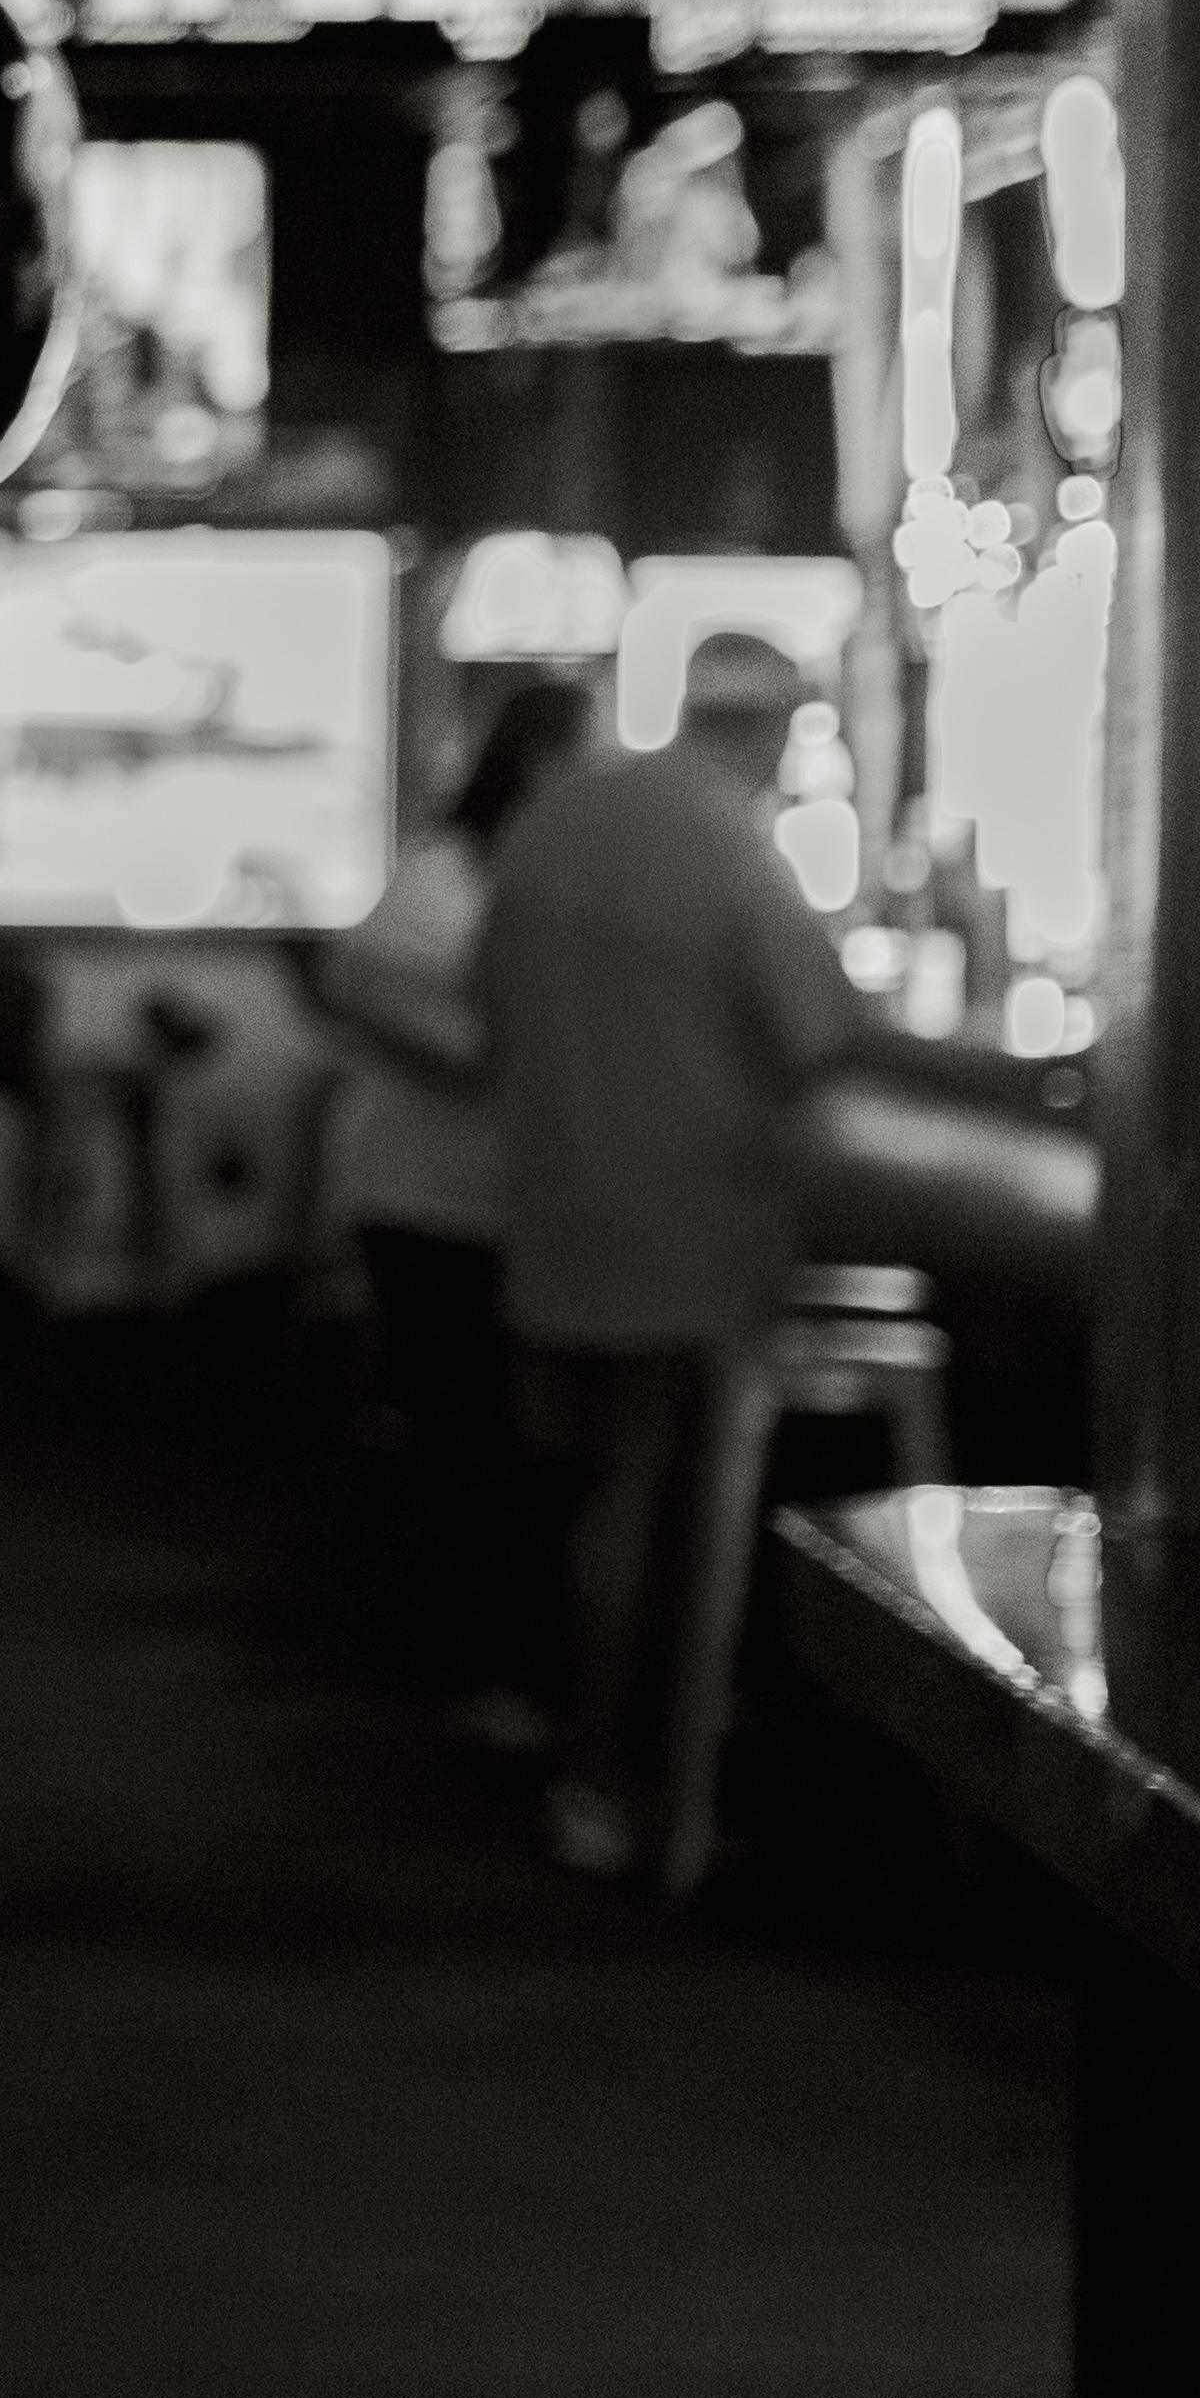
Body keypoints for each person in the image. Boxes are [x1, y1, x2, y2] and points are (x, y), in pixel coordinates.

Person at [485, 630, 865, 1893]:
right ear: (768, 731)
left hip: (552, 1219)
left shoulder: (553, 821)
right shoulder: (728, 841)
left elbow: (485, 1003)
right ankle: (635, 1788)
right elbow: (814, 1033)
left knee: (589, 1490)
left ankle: (588, 1768)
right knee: (655, 1504)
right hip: (691, 1230)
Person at [316, 676, 597, 1744]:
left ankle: (497, 1667)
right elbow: (365, 986)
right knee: (472, 1434)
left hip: (489, 1200)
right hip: (431, 1200)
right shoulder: (447, 877)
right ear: (538, 763)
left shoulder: (509, 873)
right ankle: (480, 1673)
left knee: (490, 1435)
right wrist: (500, 1053)